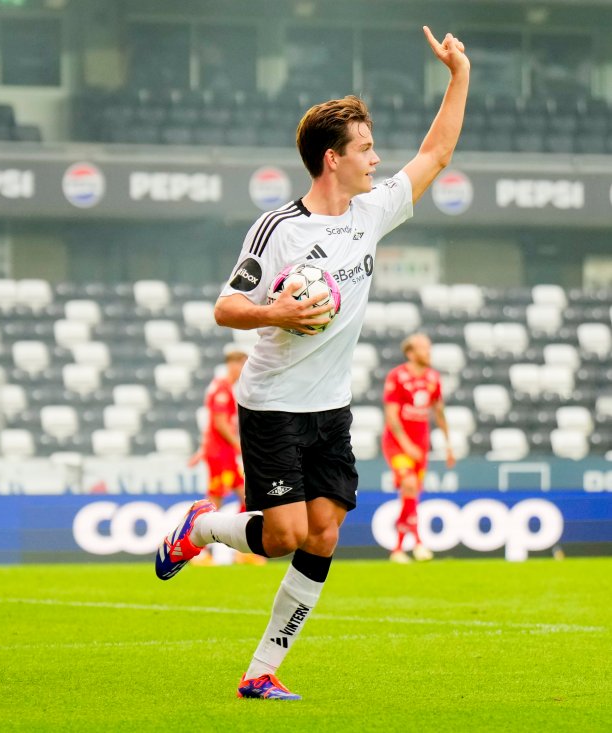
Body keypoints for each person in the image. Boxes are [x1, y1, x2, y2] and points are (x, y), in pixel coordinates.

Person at [154, 26, 469, 700]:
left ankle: (262, 670)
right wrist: (280, 313)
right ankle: (198, 528)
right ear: (332, 159)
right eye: (365, 149)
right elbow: (224, 307)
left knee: (325, 532)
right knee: (281, 535)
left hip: (330, 407)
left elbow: (437, 153)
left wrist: (458, 74)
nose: (377, 159)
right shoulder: (279, 229)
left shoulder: (370, 214)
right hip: (271, 402)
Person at [187, 348, 265, 567]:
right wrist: (238, 446)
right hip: (221, 455)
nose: (244, 370)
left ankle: (244, 550)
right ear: (233, 364)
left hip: (224, 454)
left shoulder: (225, 388)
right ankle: (197, 552)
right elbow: (220, 423)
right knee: (213, 503)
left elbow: (212, 424)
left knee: (247, 497)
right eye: (243, 365)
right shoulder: (221, 389)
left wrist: (202, 450)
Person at [382, 332, 455, 563]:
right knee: (409, 484)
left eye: (429, 348)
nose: (429, 352)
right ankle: (419, 543)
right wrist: (406, 446)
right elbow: (392, 417)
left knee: (411, 495)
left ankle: (398, 549)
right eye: (424, 348)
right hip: (397, 443)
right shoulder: (397, 376)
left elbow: (439, 412)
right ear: (411, 353)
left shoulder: (433, 378)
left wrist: (448, 445)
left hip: (421, 444)